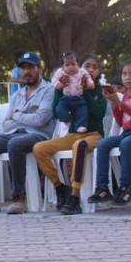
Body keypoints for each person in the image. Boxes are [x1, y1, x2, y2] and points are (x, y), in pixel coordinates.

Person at [0, 52, 55, 215]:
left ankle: (19, 198)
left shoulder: (49, 90)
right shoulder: (17, 95)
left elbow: (41, 119)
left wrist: (17, 115)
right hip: (13, 134)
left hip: (39, 135)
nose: (26, 71)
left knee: (15, 144)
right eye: (23, 68)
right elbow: (6, 124)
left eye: (31, 67)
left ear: (39, 69)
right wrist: (27, 117)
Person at [32, 53, 106, 215]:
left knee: (79, 145)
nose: (91, 70)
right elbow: (56, 113)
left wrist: (85, 92)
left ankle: (74, 196)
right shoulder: (67, 90)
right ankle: (60, 188)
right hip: (72, 136)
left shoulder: (98, 89)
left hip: (94, 135)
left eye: (95, 67)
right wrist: (59, 90)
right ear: (79, 68)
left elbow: (99, 113)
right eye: (87, 66)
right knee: (39, 148)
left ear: (98, 72)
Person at [88, 59, 131, 207]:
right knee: (103, 144)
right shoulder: (127, 94)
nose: (127, 77)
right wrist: (114, 105)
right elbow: (121, 121)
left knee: (126, 143)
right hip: (127, 132)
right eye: (124, 74)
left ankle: (125, 187)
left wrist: (120, 104)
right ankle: (102, 187)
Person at [52, 52, 95, 132]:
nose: (71, 67)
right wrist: (59, 85)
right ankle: (67, 120)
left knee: (83, 111)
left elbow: (88, 78)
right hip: (65, 98)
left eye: (73, 64)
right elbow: (54, 79)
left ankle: (80, 126)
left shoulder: (82, 71)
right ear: (63, 67)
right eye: (67, 65)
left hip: (79, 99)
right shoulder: (60, 72)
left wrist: (90, 84)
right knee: (59, 109)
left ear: (78, 64)